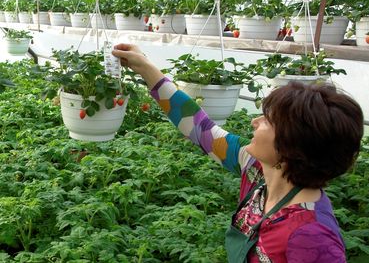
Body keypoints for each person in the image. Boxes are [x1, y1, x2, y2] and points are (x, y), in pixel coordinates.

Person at [112, 43, 364, 263]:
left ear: (292, 145)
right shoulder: (256, 170)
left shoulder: (311, 234)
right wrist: (144, 67)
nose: (255, 121)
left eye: (268, 120)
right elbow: (200, 129)